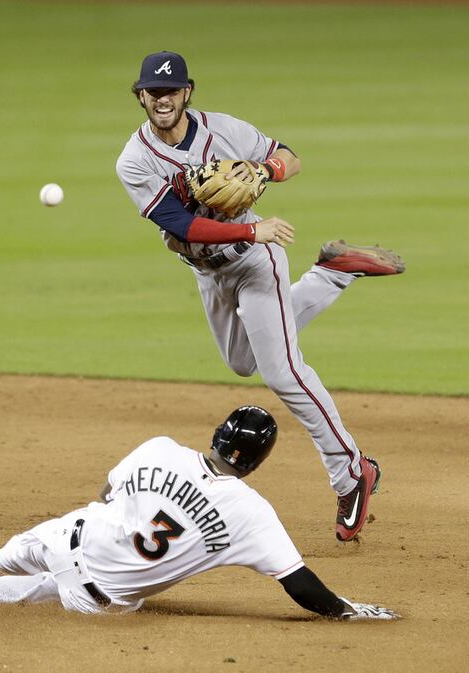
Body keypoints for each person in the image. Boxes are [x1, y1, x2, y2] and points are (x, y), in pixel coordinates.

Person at [115, 51, 406, 542]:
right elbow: (181, 224)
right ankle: (331, 273)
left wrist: (267, 171)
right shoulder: (135, 160)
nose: (162, 99)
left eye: (171, 90)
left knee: (284, 371)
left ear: (187, 92)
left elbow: (290, 156)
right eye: (152, 92)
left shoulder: (224, 129)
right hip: (211, 270)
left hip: (258, 263)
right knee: (243, 362)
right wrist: (252, 230)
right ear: (140, 96)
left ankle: (352, 472)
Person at [0, 406, 398, 620]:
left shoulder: (159, 447)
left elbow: (105, 493)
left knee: (10, 554)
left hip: (70, 534)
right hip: (99, 598)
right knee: (51, 590)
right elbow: (299, 584)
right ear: (257, 463)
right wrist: (347, 610)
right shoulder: (251, 513)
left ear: (217, 435)